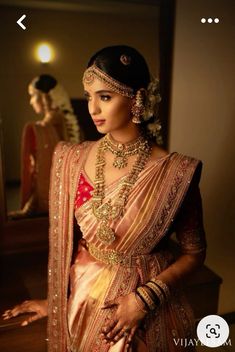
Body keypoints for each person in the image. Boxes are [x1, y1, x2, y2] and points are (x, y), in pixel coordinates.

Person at [3, 45, 206, 351]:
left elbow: (194, 254)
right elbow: (68, 247)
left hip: (144, 311)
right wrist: (56, 301)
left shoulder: (175, 173)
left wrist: (145, 298)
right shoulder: (72, 158)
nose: (93, 109)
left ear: (137, 98)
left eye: (105, 97)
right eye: (89, 97)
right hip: (84, 300)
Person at [9, 74, 81, 218]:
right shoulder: (54, 117)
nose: (31, 101)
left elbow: (46, 164)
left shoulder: (54, 118)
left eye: (33, 96)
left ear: (44, 97)